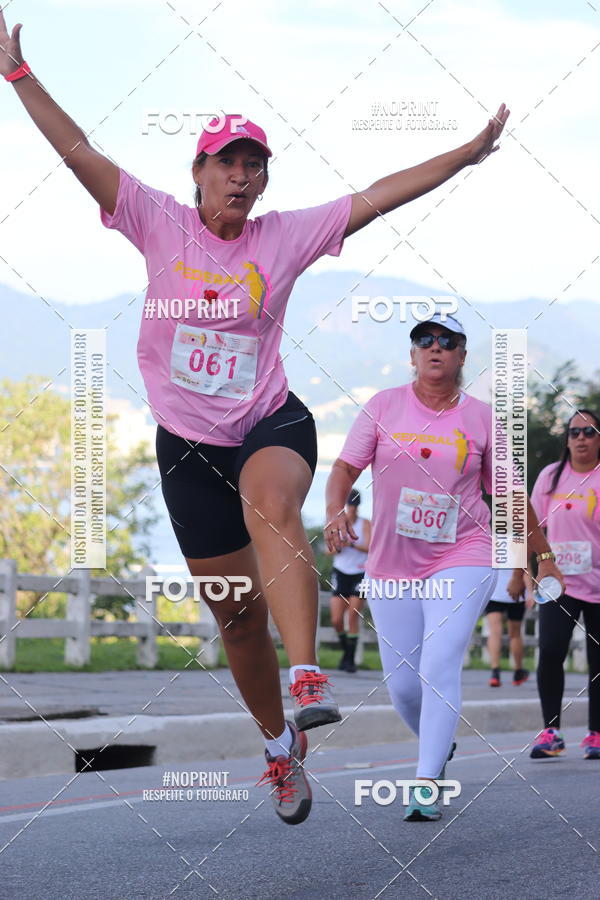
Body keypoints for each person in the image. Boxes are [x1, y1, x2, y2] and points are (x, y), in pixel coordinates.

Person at [1, 12, 510, 825]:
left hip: (269, 422)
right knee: (237, 615)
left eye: (253, 166)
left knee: (273, 506)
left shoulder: (284, 237)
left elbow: (381, 193)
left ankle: (308, 674)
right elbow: (78, 154)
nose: (239, 177)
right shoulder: (153, 219)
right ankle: (279, 749)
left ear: (264, 183)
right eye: (225, 163)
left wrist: (466, 153)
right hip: (186, 445)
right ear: (198, 171)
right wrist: (18, 76)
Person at [325, 314, 565, 821]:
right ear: (412, 355)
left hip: (463, 552)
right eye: (424, 341)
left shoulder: (481, 418)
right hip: (391, 566)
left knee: (439, 663)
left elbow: (509, 495)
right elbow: (345, 468)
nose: (435, 348)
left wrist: (541, 556)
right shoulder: (383, 405)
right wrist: (333, 514)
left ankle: (427, 782)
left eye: (447, 341)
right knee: (403, 689)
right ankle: (437, 743)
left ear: (461, 356)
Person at [527, 410, 600, 760]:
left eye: (589, 431)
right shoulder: (551, 477)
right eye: (574, 432)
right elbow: (531, 525)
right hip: (558, 581)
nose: (581, 438)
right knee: (550, 650)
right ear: (567, 439)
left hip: (599, 584)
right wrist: (520, 572)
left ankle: (596, 734)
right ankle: (551, 731)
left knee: (597, 659)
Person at [328, 490, 371, 673]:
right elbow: (328, 550)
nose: (351, 509)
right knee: (337, 619)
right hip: (341, 571)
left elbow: (369, 547)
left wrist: (351, 544)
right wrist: (338, 546)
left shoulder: (365, 524)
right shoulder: (336, 523)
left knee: (353, 614)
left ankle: (350, 660)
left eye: (354, 506)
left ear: (357, 507)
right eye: (349, 506)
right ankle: (347, 653)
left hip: (360, 572)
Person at [485, 566, 534, 687]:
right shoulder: (519, 546)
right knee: (515, 634)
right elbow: (526, 568)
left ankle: (495, 672)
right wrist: (530, 592)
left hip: (494, 592)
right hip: (517, 591)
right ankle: (518, 672)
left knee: (494, 633)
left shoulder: (490, 546)